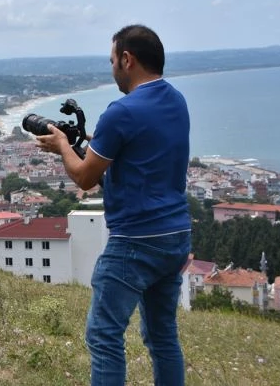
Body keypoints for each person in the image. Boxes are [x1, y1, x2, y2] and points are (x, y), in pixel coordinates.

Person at [36, 25, 190, 385]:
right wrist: (90, 137)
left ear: (127, 59)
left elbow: (85, 178)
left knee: (104, 335)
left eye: (112, 62)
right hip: (176, 234)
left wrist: (62, 146)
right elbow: (141, 149)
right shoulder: (176, 101)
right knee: (162, 336)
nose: (112, 70)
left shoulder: (122, 111)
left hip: (137, 239)